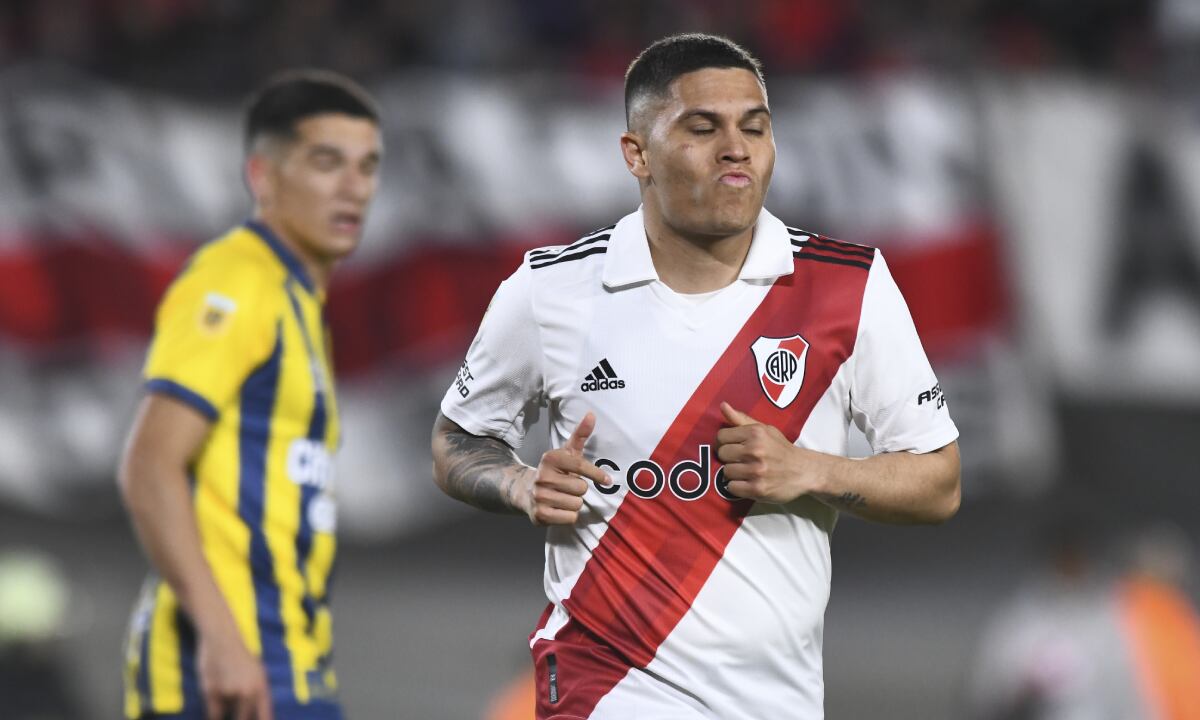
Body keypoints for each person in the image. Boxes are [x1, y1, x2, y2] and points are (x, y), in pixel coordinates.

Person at [431, 32, 960, 719]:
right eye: (702, 127)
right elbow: (455, 442)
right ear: (637, 155)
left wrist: (814, 470)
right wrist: (520, 483)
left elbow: (939, 481)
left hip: (776, 702)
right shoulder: (551, 289)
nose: (735, 147)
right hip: (605, 688)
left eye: (755, 127)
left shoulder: (848, 287)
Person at [118, 70, 383, 720]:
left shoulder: (295, 297)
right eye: (327, 162)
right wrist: (221, 640)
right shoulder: (238, 282)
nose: (355, 186)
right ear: (263, 176)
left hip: (290, 661)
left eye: (368, 165)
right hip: (224, 673)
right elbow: (150, 465)